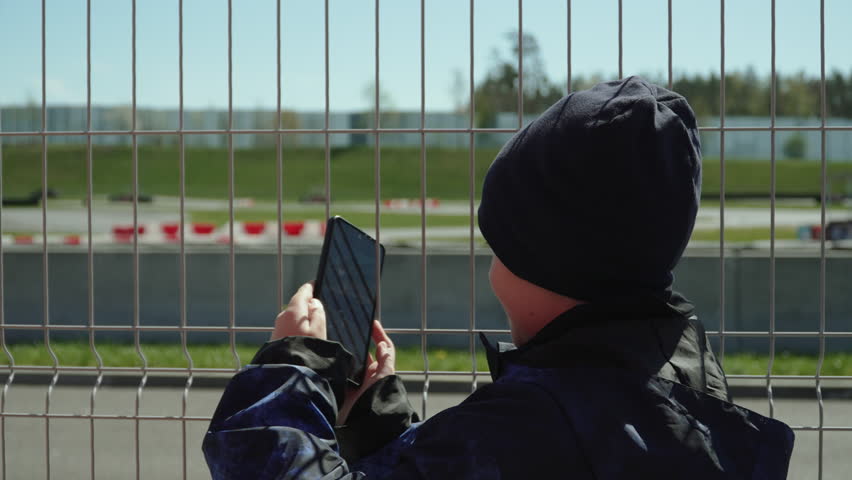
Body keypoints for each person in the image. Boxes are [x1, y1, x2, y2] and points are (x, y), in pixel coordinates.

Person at [203, 77, 794, 479]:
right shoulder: (682, 391)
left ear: (544, 261)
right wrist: (378, 424)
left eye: (499, 245)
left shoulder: (526, 427)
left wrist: (288, 376)